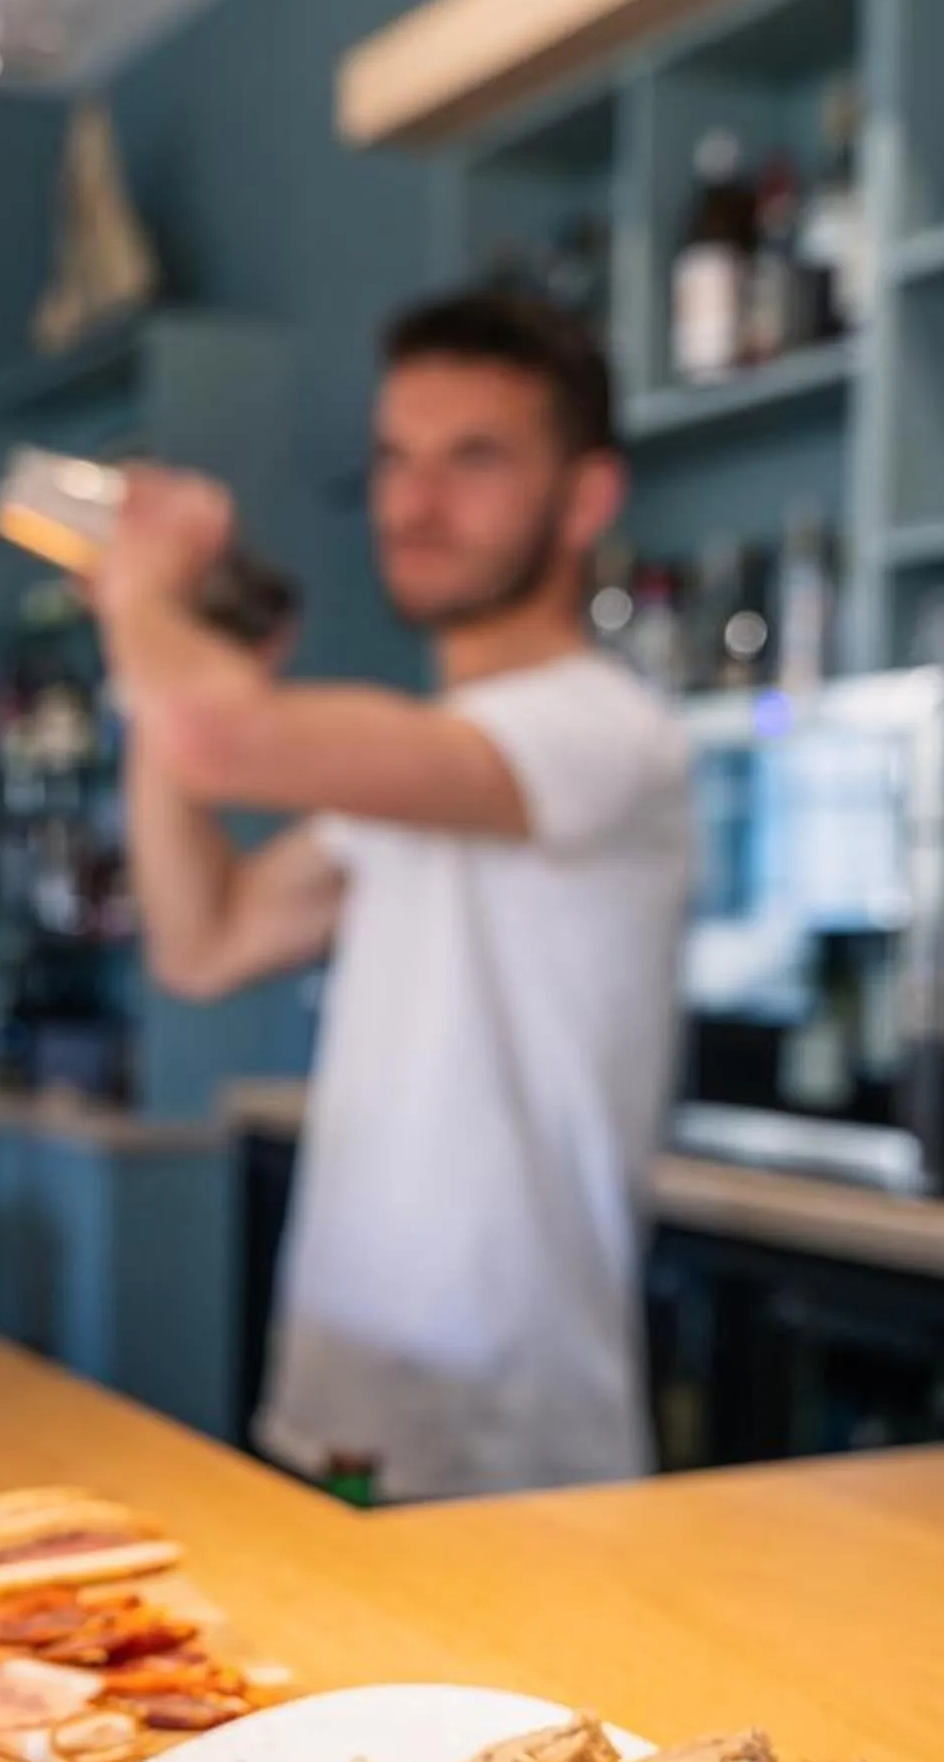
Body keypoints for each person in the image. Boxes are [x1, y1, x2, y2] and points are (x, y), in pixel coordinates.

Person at [93, 288, 691, 1503]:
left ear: (585, 498)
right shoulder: (430, 771)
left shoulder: (600, 736)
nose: (414, 503)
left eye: (472, 459)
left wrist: (143, 604)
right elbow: (202, 941)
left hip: (510, 1449)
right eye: (393, 460)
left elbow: (223, 740)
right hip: (339, 1406)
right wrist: (177, 684)